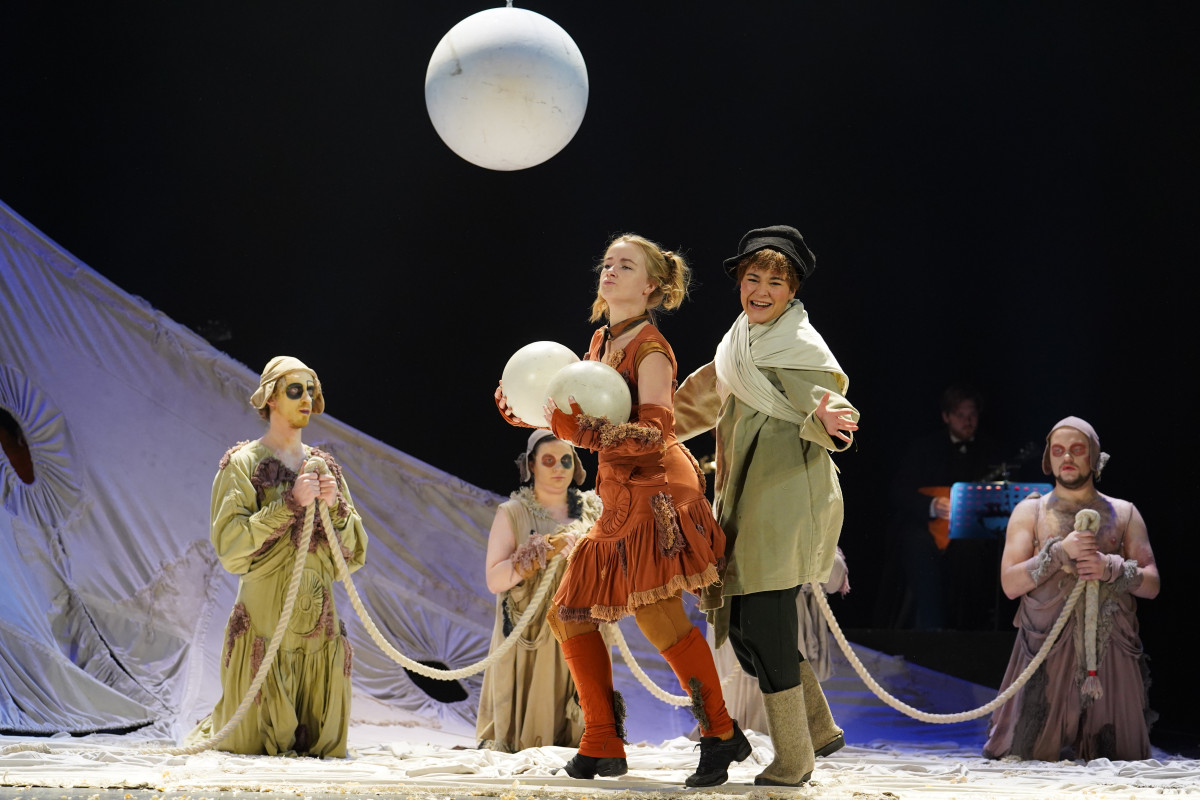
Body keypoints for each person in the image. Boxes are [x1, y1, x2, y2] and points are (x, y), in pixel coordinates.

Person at [495, 233, 748, 788]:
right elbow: (584, 405)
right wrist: (530, 411)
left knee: (658, 614)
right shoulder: (600, 340)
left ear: (651, 286)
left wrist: (582, 430)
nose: (609, 271)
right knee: (571, 611)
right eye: (607, 263)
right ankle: (602, 741)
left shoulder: (651, 348)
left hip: (656, 488)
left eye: (625, 266)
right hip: (619, 490)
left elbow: (656, 432)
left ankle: (721, 732)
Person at [673, 225, 859, 786]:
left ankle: (795, 757)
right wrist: (642, 428)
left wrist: (828, 416)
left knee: (766, 629)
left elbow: (833, 406)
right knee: (746, 633)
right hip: (745, 495)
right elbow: (697, 401)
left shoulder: (799, 347)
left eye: (775, 282)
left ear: (792, 290)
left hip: (786, 497)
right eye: (752, 278)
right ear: (739, 283)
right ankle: (818, 728)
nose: (761, 290)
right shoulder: (740, 342)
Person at [193, 356, 368, 757]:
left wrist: (335, 507)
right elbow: (231, 546)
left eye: (310, 390)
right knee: (247, 745)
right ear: (271, 397)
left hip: (318, 624)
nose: (306, 398)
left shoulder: (325, 467)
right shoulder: (243, 464)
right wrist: (289, 503)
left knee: (322, 750)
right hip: (265, 622)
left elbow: (354, 554)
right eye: (295, 390)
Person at [983, 416, 1159, 761]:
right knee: (1028, 755)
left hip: (1110, 650)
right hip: (1047, 646)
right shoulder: (1030, 511)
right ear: (1048, 459)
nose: (1067, 457)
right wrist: (1058, 553)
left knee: (1120, 757)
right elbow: (1010, 584)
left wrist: (1110, 568)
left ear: (1094, 457)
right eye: (1058, 450)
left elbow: (1152, 584)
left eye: (1077, 450)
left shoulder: (1124, 512)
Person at [475, 429, 601, 752]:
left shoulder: (592, 512)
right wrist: (540, 552)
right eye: (548, 461)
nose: (559, 468)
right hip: (529, 633)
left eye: (565, 460)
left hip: (579, 624)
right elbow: (494, 579)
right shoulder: (513, 513)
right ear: (531, 465)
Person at [877, 385, 1003, 630]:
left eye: (972, 415)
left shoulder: (990, 450)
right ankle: (931, 631)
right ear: (946, 416)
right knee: (917, 546)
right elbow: (899, 492)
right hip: (926, 527)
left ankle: (970, 633)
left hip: (971, 533)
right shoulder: (924, 448)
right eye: (960, 415)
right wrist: (933, 505)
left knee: (973, 554)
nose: (968, 421)